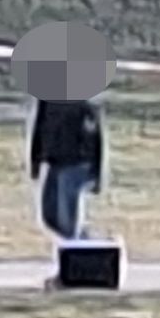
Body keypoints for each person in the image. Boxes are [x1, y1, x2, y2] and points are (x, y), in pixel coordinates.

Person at [31, 86, 104, 246]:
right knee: (49, 217)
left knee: (67, 222)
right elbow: (39, 126)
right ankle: (82, 242)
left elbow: (96, 135)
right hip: (55, 162)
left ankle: (77, 252)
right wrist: (35, 161)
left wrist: (97, 173)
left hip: (76, 162)